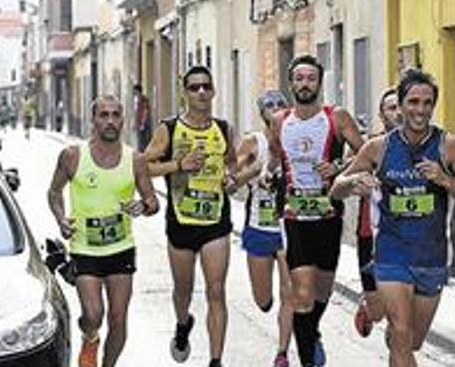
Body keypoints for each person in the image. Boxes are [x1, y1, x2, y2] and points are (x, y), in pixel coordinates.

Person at [329, 69, 455, 367]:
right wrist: (352, 182)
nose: (420, 110)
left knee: (411, 341)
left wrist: (446, 181)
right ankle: (388, 320)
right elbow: (336, 189)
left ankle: (381, 320)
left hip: (432, 257)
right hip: (391, 254)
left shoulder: (448, 146)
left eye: (427, 103)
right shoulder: (379, 147)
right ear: (399, 107)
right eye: (413, 102)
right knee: (401, 332)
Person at [266, 54, 364, 367]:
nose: (304, 84)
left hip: (328, 217)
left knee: (321, 292)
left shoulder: (336, 117)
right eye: (299, 78)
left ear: (320, 82)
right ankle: (307, 359)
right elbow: (274, 159)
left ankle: (313, 332)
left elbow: (365, 155)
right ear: (291, 82)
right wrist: (269, 174)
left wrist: (336, 167)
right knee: (302, 295)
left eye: (310, 78)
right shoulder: (280, 121)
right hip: (294, 217)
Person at [47, 95, 160, 367]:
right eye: (103, 115)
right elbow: (53, 192)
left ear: (123, 120)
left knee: (119, 318)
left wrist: (142, 206)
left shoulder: (136, 160)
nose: (110, 121)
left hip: (121, 248)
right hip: (85, 248)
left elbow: (153, 201)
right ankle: (90, 336)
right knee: (93, 314)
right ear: (93, 120)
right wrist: (62, 219)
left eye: (115, 115)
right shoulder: (73, 156)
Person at [143, 66, 239, 367]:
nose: (201, 92)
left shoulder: (223, 129)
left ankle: (215, 360)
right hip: (181, 222)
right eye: (194, 87)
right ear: (184, 92)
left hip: (215, 223)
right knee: (183, 291)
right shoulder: (168, 129)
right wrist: (179, 165)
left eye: (206, 87)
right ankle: (183, 324)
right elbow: (143, 166)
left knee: (216, 291)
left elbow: (232, 165)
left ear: (213, 91)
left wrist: (231, 178)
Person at [234, 90, 293, 367]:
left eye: (281, 104)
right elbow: (230, 181)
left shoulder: (298, 142)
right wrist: (255, 170)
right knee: (263, 299)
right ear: (262, 114)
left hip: (288, 229)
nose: (276, 109)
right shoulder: (253, 142)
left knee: (289, 293)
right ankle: (265, 302)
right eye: (270, 106)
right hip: (259, 226)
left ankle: (283, 352)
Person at [354, 88, 401, 338]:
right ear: (382, 116)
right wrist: (357, 183)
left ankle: (398, 335)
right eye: (391, 108)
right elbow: (345, 174)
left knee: (400, 318)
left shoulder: (424, 146)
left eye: (399, 106)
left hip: (407, 237)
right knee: (378, 311)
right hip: (370, 234)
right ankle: (368, 306)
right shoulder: (372, 147)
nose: (398, 113)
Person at [133, 84, 153, 151]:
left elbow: (145, 111)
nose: (133, 93)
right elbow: (137, 113)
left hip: (144, 125)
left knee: (144, 141)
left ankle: (144, 154)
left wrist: (142, 123)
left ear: (138, 91)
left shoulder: (143, 100)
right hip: (140, 124)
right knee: (140, 141)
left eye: (134, 91)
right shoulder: (138, 100)